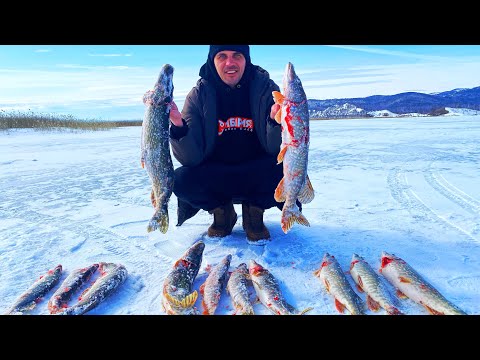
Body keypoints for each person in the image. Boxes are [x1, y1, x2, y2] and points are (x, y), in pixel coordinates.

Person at [168, 45, 301, 244]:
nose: (230, 63)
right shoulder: (198, 95)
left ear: (246, 59)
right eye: (222, 56)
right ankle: (222, 213)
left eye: (237, 56)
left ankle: (254, 213)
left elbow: (275, 150)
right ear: (212, 61)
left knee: (290, 171)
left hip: (258, 172)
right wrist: (178, 126)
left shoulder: (267, 89)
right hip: (216, 174)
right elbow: (190, 158)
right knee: (179, 179)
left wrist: (274, 122)